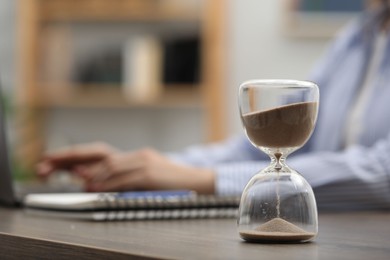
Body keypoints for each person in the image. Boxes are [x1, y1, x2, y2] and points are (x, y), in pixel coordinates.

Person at [36, 1, 390, 211]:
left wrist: (203, 179)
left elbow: (382, 172)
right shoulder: (356, 37)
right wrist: (145, 166)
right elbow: (269, 146)